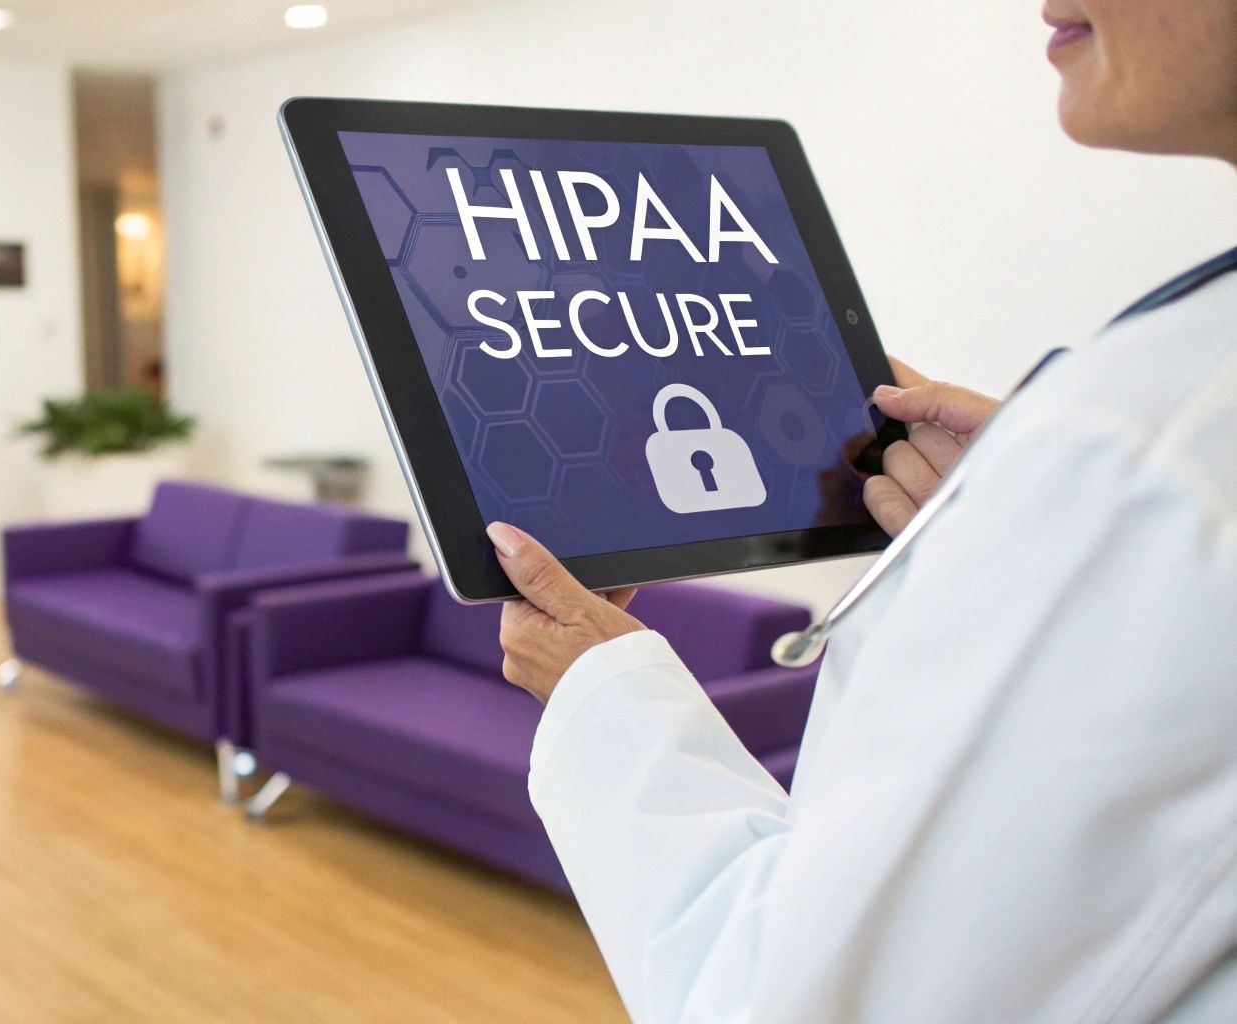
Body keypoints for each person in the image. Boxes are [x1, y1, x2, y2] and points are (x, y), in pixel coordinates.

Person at [491, 2, 1237, 1020]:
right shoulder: (1134, 438)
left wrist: (599, 685)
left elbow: (784, 999)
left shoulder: (1143, 448)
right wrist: (1019, 500)